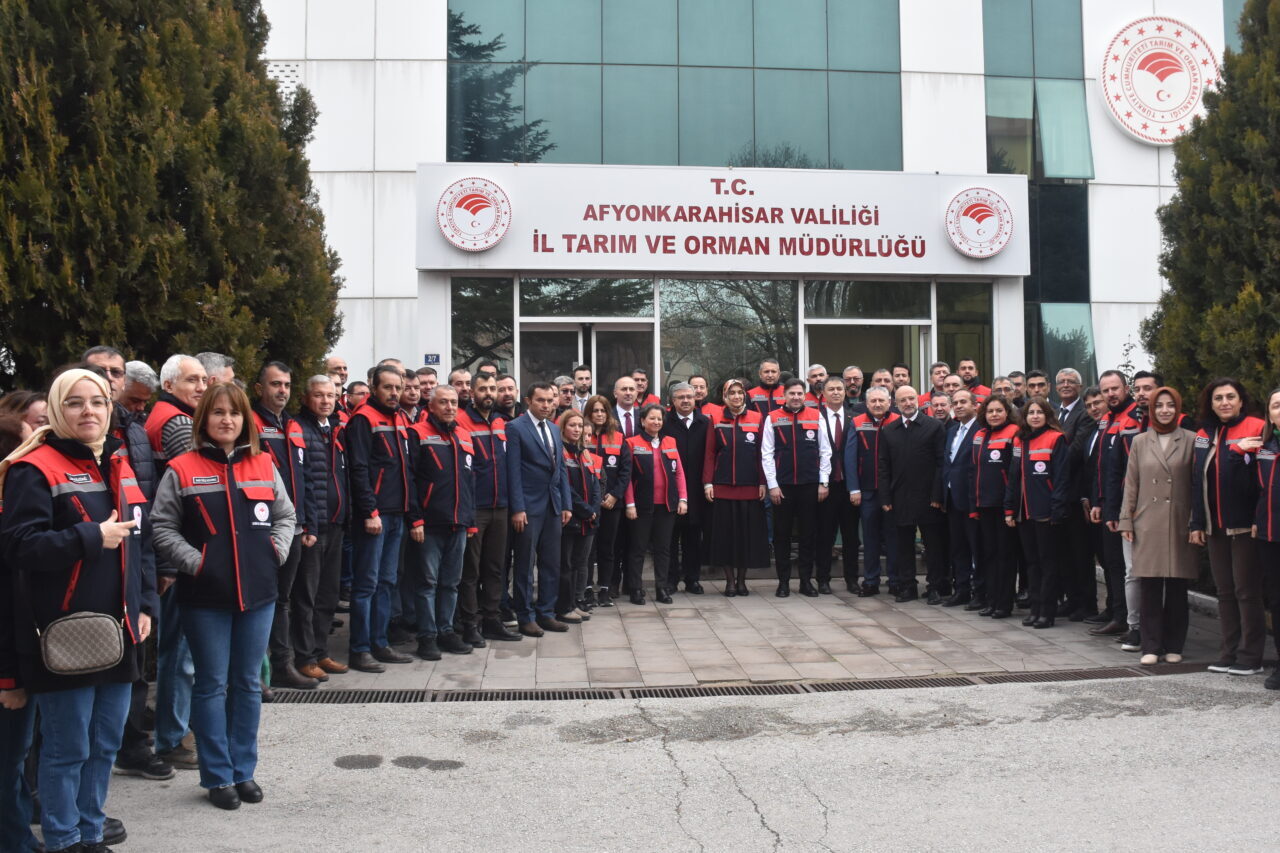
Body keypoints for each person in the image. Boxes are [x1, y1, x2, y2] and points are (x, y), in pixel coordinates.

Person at [0, 369, 155, 852]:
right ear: (58, 410)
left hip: (121, 630)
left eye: (97, 402)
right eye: (74, 403)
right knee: (68, 749)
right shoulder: (34, 468)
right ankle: (65, 840)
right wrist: (91, 537)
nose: (88, 411)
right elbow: (19, 548)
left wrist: (145, 602)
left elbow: (140, 541)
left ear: (110, 410)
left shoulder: (118, 461)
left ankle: (91, 833)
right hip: (65, 636)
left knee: (105, 744)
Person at [150, 381, 294, 810]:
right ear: (204, 420)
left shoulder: (264, 464)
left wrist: (276, 551)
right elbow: (161, 527)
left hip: (258, 595)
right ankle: (217, 776)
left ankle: (243, 770)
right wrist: (197, 563)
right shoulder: (182, 468)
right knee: (211, 685)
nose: (226, 420)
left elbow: (286, 515)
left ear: (245, 419)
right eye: (217, 413)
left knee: (247, 684)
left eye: (234, 413)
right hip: (205, 598)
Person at [144, 354, 207, 770]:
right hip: (182, 555)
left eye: (204, 379)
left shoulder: (164, 416)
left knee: (176, 651)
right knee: (180, 654)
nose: (201, 387)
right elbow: (192, 496)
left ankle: (174, 730)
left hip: (173, 556)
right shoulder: (179, 423)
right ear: (169, 386)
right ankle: (172, 736)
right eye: (192, 380)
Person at [1191, 378, 1267, 676]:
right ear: (1210, 404)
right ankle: (1228, 652)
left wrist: (1238, 454)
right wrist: (1197, 522)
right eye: (1218, 398)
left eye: (1230, 397)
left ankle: (1250, 657)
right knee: (1225, 591)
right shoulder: (1203, 434)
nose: (1224, 402)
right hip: (1214, 527)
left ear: (1240, 400)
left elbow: (1262, 479)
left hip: (1245, 527)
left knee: (1246, 591)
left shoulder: (1256, 427)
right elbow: (1197, 480)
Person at [345, 364, 418, 673]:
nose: (394, 393)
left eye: (397, 387)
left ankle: (379, 641)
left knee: (387, 581)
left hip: (397, 513)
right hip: (375, 517)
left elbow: (406, 471)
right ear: (374, 388)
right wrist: (369, 511)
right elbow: (359, 469)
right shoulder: (363, 420)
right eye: (387, 387)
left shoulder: (399, 419)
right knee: (367, 584)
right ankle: (359, 649)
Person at [1117, 387, 1197, 665]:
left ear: (1178, 408)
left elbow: (1198, 484)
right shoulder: (1140, 441)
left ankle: (1174, 644)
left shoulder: (1190, 439)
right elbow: (1131, 483)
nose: (1165, 410)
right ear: (1151, 410)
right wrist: (1126, 519)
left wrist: (1197, 520)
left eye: (1170, 405)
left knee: (1176, 586)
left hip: (1178, 520)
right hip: (1147, 520)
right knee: (1149, 585)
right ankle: (1150, 646)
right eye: (1159, 405)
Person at [249, 362, 316, 690]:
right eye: (275, 384)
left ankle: (282, 664)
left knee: (283, 599)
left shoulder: (294, 425)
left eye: (287, 385)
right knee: (262, 598)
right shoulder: (250, 423)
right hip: (263, 529)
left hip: (296, 527)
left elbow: (305, 479)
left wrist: (308, 522)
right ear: (260, 388)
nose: (282, 391)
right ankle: (257, 675)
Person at [410, 385, 476, 660]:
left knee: (451, 582)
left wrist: (469, 521)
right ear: (432, 406)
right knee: (428, 583)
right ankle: (427, 637)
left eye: (453, 402)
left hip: (459, 522)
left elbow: (470, 482)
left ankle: (447, 631)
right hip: (430, 523)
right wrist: (416, 520)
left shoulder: (465, 436)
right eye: (444, 402)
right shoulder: (418, 434)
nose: (450, 407)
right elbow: (410, 480)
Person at [505, 383, 574, 637]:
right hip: (528, 507)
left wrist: (566, 503)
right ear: (528, 401)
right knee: (524, 563)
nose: (546, 405)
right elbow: (512, 471)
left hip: (553, 506)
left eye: (549, 400)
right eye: (541, 401)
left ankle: (546, 612)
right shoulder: (515, 428)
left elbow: (561, 469)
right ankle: (525, 616)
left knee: (551, 563)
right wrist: (518, 508)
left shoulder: (555, 429)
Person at [294, 376, 350, 680]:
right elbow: (303, 482)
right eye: (319, 395)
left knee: (328, 595)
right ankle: (304, 656)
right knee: (307, 596)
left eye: (331, 395)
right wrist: (307, 523)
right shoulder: (299, 430)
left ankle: (320, 650)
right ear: (306, 398)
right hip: (313, 527)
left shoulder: (337, 429)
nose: (326, 401)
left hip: (336, 522)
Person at [457, 372, 517, 643]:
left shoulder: (502, 422)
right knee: (471, 570)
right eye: (483, 389)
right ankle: (470, 624)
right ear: (472, 391)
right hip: (475, 508)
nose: (489, 393)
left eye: (492, 388)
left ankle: (492, 619)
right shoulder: (461, 421)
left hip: (501, 506)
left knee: (495, 568)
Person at [1004, 398, 1071, 628]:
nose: (1034, 416)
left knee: (1048, 563)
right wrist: (1010, 509)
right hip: (1024, 513)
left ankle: (1047, 612)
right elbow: (1013, 477)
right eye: (1030, 412)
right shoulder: (1019, 440)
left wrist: (1056, 508)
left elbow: (1062, 478)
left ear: (1047, 415)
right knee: (1031, 563)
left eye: (1039, 412)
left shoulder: (1056, 438)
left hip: (1046, 513)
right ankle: (1034, 609)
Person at [878, 385, 947, 603]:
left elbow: (941, 464)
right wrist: (885, 498)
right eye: (902, 400)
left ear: (917, 400)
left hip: (928, 497)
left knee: (934, 545)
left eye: (911, 398)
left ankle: (935, 586)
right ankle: (908, 586)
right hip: (900, 497)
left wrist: (937, 496)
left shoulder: (934, 427)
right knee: (903, 546)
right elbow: (883, 467)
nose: (908, 403)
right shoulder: (889, 430)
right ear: (895, 404)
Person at [762, 378, 828, 597]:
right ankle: (783, 582)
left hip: (810, 485)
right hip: (783, 487)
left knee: (809, 535)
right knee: (782, 536)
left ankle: (806, 581)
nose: (796, 397)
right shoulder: (773, 418)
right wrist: (772, 485)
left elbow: (825, 451)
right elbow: (767, 454)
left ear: (804, 395)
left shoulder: (816, 415)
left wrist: (823, 482)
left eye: (800, 393)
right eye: (792, 394)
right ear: (784, 396)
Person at [704, 379, 769, 596]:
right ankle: (729, 582)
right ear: (724, 396)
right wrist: (708, 483)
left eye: (740, 393)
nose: (736, 397)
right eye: (731, 393)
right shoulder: (715, 419)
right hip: (722, 488)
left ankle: (742, 581)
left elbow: (763, 454)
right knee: (725, 539)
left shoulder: (758, 418)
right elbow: (710, 454)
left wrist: (762, 482)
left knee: (745, 539)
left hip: (750, 488)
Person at [1091, 370, 1140, 643]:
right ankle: (1116, 613)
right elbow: (1102, 466)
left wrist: (1118, 508)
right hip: (1108, 504)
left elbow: (1129, 470)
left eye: (1115, 388)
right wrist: (1099, 501)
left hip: (1125, 506)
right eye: (1106, 390)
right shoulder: (1107, 420)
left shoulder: (1133, 418)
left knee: (1124, 567)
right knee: (1111, 563)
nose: (1110, 394)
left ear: (1126, 388)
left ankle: (1126, 620)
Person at [624, 404, 687, 604]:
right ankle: (635, 589)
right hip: (641, 506)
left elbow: (679, 473)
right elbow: (627, 477)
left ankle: (662, 588)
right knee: (638, 549)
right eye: (652, 418)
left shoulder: (670, 442)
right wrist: (630, 504)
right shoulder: (631, 443)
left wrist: (683, 498)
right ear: (642, 421)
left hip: (666, 505)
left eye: (659, 419)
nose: (656, 422)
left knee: (663, 549)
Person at [845, 386, 899, 595]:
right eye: (873, 401)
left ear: (889, 402)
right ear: (866, 404)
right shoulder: (857, 423)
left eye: (881, 400)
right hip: (867, 491)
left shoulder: (897, 421)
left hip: (892, 492)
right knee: (870, 538)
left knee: (893, 538)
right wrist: (853, 488)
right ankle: (871, 580)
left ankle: (895, 580)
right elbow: (850, 458)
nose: (877, 404)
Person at [971, 395, 1019, 618]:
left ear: (1007, 412)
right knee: (988, 555)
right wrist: (974, 505)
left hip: (1003, 506)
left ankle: (1004, 603)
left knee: (1005, 556)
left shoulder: (1013, 433)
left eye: (999, 410)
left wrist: (1010, 508)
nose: (994, 415)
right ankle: (991, 600)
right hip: (984, 505)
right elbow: (974, 471)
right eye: (990, 411)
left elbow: (1014, 473)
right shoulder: (980, 435)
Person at [663, 383, 710, 595]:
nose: (685, 401)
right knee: (671, 538)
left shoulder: (705, 423)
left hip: (698, 489)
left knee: (694, 538)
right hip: (670, 490)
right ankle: (671, 579)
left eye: (689, 397)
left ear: (695, 399)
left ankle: (693, 579)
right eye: (680, 397)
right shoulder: (664, 423)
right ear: (672, 401)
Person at [585, 395, 630, 608]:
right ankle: (586, 589)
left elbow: (625, 472)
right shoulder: (582, 437)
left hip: (612, 504)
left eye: (603, 411)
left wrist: (614, 495)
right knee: (588, 549)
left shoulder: (619, 438)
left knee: (607, 548)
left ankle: (605, 589)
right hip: (588, 505)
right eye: (595, 411)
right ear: (589, 414)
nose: (600, 414)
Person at [815, 377, 857, 593]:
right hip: (827, 485)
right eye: (831, 389)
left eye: (839, 389)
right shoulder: (815, 417)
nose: (836, 393)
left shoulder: (856, 417)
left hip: (850, 485)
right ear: (823, 393)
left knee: (851, 536)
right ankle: (823, 579)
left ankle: (852, 579)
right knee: (825, 534)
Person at [1251, 387, 1280, 690]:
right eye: (1276, 406)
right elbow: (1259, 489)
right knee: (1277, 600)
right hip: (1271, 535)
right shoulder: (1266, 447)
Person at [558, 410, 599, 620]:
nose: (576, 429)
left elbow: (594, 484)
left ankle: (575, 602)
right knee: (566, 565)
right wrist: (586, 510)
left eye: (579, 426)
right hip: (571, 518)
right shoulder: (560, 452)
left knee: (580, 564)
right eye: (572, 425)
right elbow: (565, 487)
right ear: (564, 427)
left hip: (587, 519)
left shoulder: (584, 452)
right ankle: (564, 607)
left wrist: (593, 509)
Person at [942, 389, 980, 607]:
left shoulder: (980, 431)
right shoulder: (952, 430)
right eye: (955, 402)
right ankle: (962, 590)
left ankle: (980, 591)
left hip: (971, 498)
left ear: (974, 405)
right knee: (958, 548)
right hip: (952, 498)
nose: (958, 406)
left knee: (977, 547)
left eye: (963, 401)